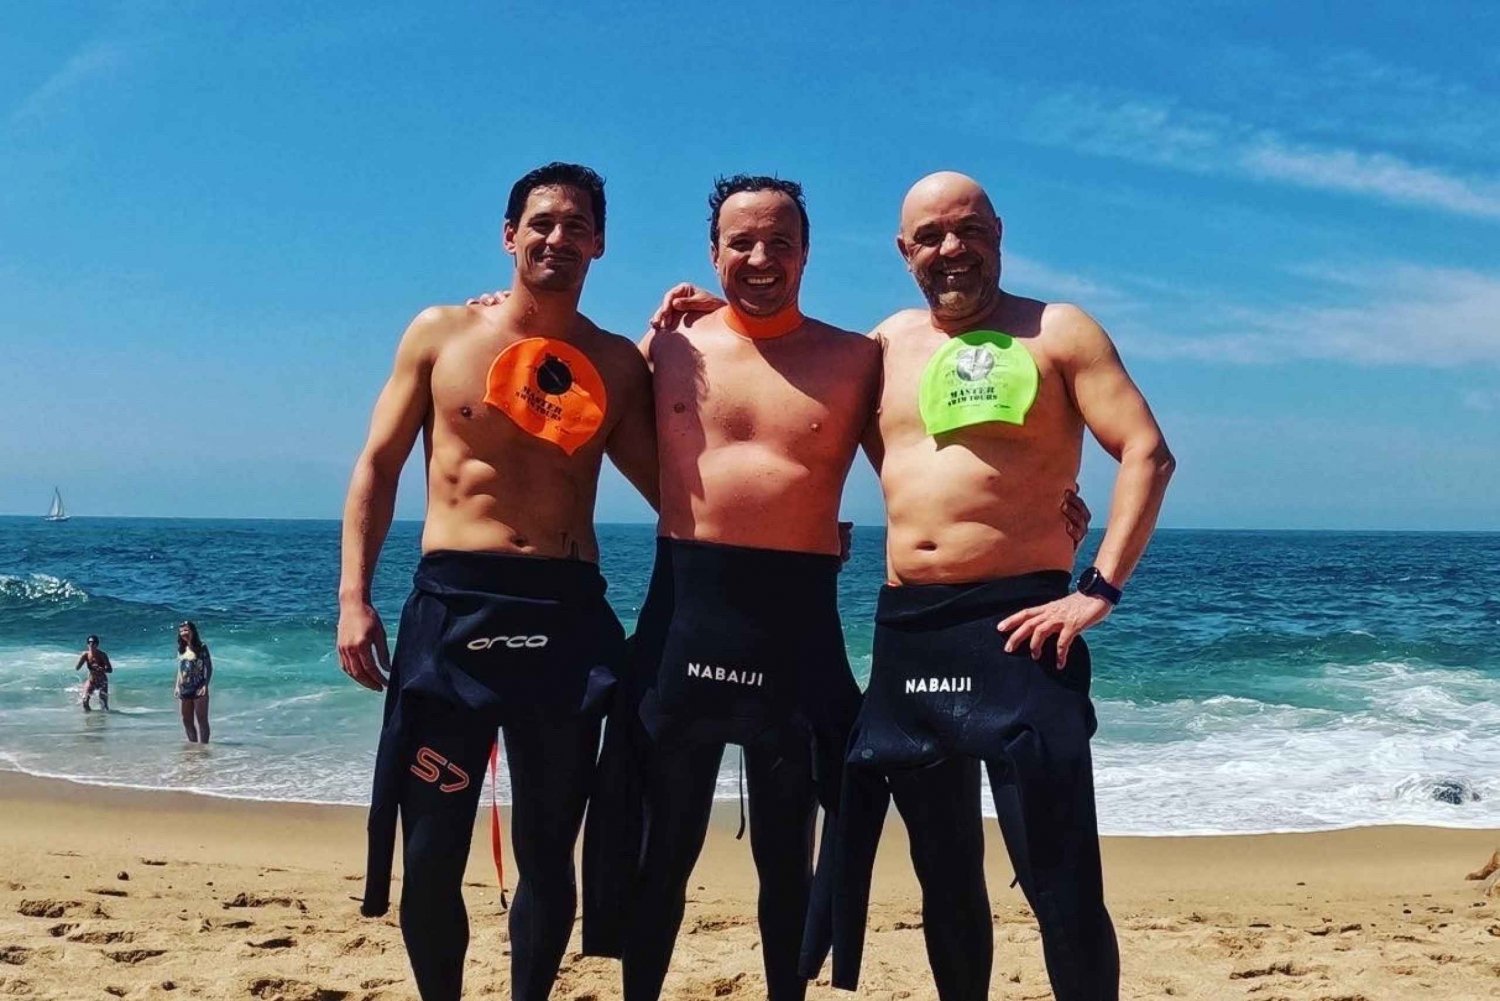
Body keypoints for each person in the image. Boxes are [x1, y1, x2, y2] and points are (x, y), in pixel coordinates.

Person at [576, 176, 1091, 1001]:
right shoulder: (669, 346)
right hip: (684, 620)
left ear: (808, 253)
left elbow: (931, 457)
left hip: (797, 632)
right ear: (712, 253)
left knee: (790, 862)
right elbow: (589, 422)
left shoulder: (857, 357)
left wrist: (1038, 508)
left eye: (780, 242)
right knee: (659, 854)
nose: (761, 258)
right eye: (741, 243)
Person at [803, 172, 1175, 1001]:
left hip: (1022, 626)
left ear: (998, 232)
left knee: (1059, 877)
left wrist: (1099, 586)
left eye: (968, 229)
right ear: (903, 251)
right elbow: (788, 403)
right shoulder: (883, 345)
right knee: (943, 876)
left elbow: (1147, 452)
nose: (952, 249)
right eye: (930, 236)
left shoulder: (1058, 330)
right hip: (910, 632)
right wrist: (704, 323)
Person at [336, 162, 658, 1001]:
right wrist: (353, 597)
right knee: (431, 852)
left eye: (578, 225)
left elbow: (679, 490)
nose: (559, 237)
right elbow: (377, 465)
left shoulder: (618, 363)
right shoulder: (440, 334)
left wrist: (804, 530)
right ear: (510, 235)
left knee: (549, 851)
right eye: (542, 222)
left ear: (600, 242)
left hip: (564, 615)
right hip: (453, 614)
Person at [174, 621, 213, 742]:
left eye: (186, 630)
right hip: (184, 688)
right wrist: (177, 686)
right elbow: (180, 669)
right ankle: (193, 746)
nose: (183, 633)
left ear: (192, 631)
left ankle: (204, 747)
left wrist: (205, 685)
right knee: (186, 720)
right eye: (181, 631)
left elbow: (209, 667)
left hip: (199, 687)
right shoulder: (181, 649)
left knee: (202, 720)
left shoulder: (201, 647)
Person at [74, 634, 112, 712]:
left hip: (102, 681)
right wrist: (81, 660)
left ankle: (104, 718)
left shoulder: (102, 655)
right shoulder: (85, 655)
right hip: (91, 680)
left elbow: (110, 670)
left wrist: (102, 669)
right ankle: (89, 717)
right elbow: (77, 668)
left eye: (93, 643)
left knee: (103, 705)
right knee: (85, 701)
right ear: (87, 644)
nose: (91, 645)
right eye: (89, 643)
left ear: (97, 644)